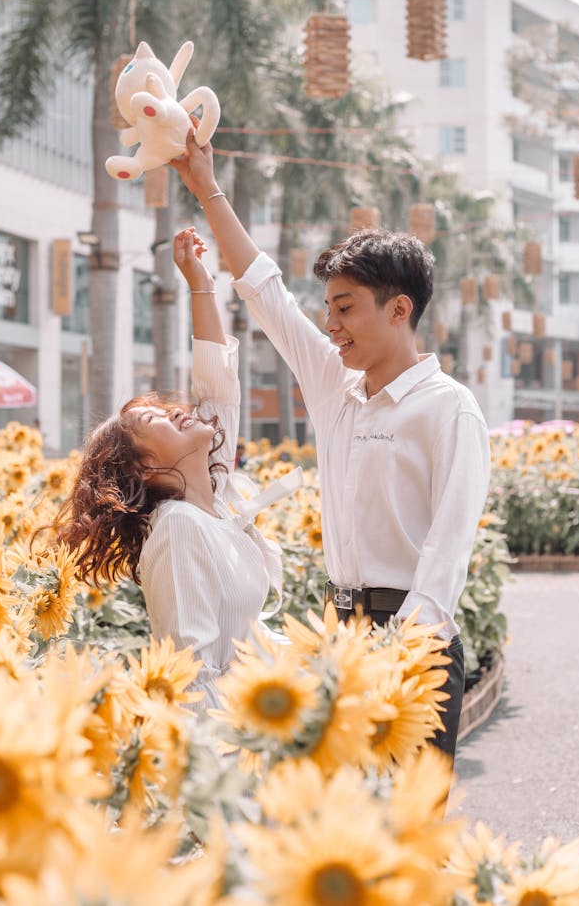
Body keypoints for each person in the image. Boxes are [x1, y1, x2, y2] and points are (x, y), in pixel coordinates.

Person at [170, 132, 491, 759]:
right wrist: (207, 188)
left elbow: (448, 549)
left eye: (344, 308)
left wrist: (399, 657)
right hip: (337, 641)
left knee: (403, 838)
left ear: (399, 309)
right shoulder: (334, 388)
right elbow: (266, 294)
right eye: (328, 306)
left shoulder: (450, 408)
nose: (329, 324)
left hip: (411, 651)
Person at [56, 228, 295, 711]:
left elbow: (219, 389)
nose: (174, 411)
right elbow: (191, 682)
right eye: (155, 420)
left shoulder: (216, 501)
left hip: (266, 725)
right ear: (145, 465)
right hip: (232, 752)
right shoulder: (180, 528)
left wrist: (200, 283)